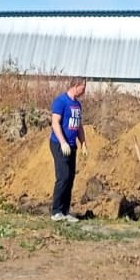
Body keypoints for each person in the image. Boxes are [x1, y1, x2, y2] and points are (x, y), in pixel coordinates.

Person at [49, 77, 87, 222]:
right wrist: (63, 142)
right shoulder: (61, 101)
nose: (84, 90)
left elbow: (79, 126)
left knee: (70, 178)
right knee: (63, 177)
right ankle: (56, 211)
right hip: (59, 144)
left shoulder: (77, 105)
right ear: (76, 86)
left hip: (72, 145)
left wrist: (83, 143)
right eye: (83, 86)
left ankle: (65, 211)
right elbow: (55, 123)